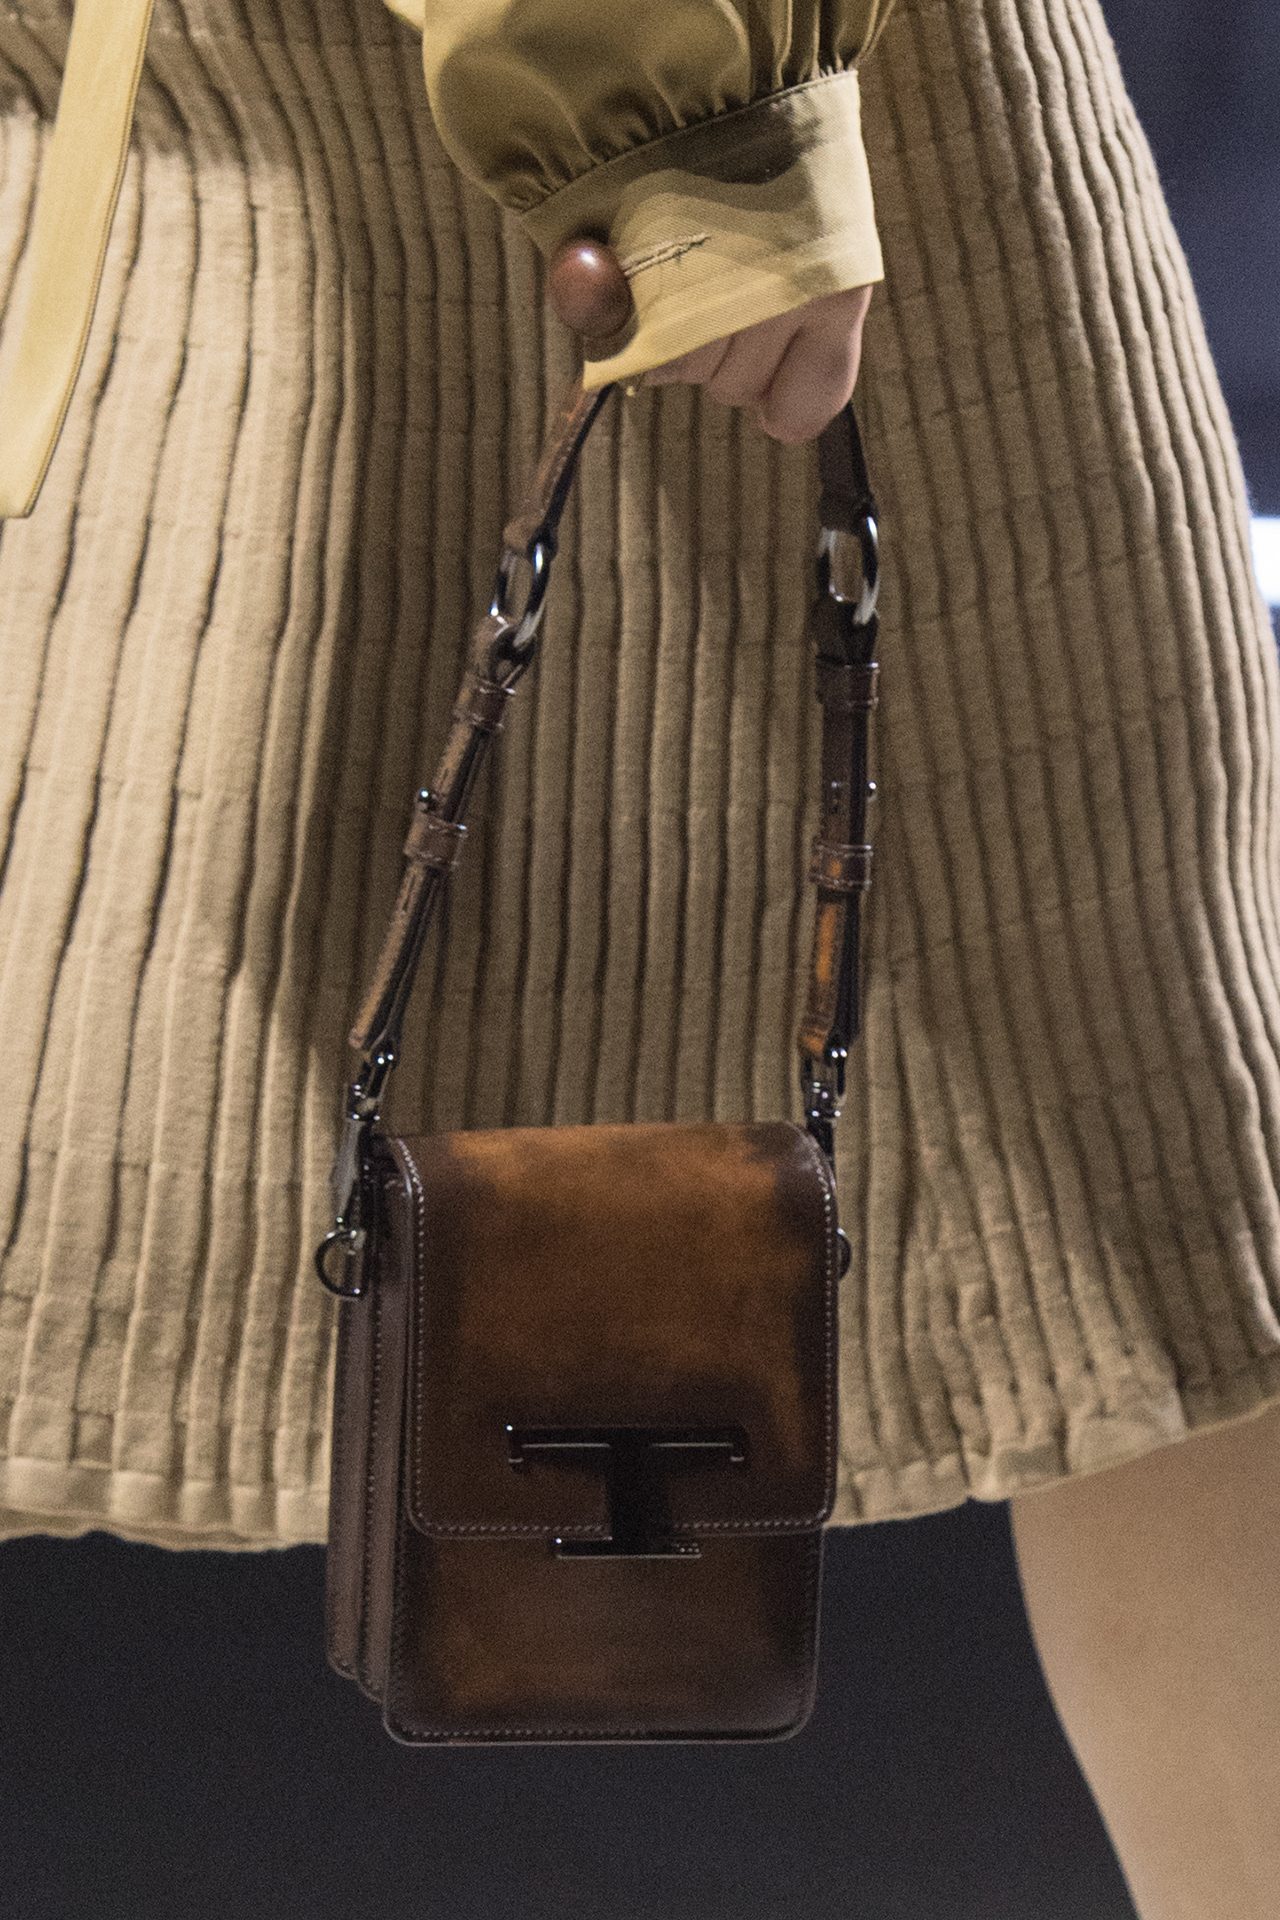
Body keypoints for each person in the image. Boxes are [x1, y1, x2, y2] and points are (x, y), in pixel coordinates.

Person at [0, 2, 1275, 1913]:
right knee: (1169, 1201)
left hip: (285, 127)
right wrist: (694, 128)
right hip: (655, 116)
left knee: (1175, 1230)